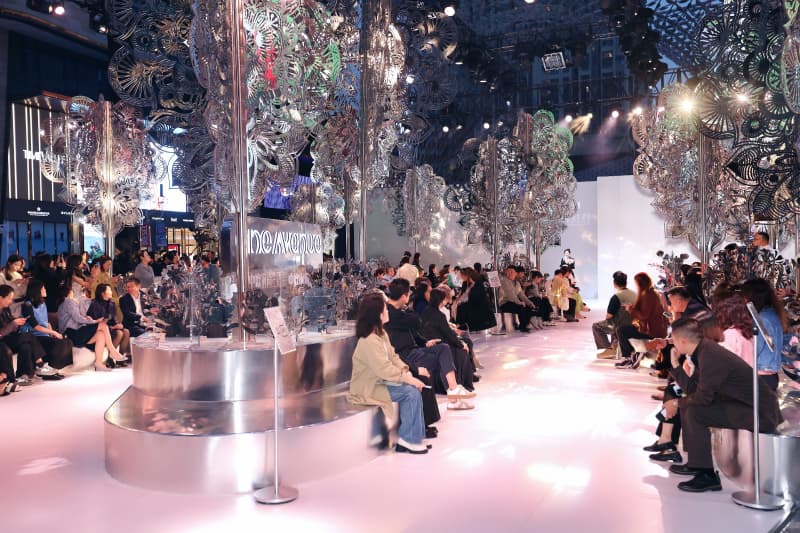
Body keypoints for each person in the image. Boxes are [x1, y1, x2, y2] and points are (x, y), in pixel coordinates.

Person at [661, 318, 782, 493]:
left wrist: (676, 402)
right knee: (689, 406)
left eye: (673, 340)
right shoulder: (704, 350)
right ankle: (697, 463)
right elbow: (692, 390)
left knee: (694, 410)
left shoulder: (709, 355)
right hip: (745, 405)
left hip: (761, 414)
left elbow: (702, 398)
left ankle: (707, 475)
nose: (673, 344)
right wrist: (675, 365)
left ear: (683, 341)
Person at [348, 293, 430, 454]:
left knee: (413, 388)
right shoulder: (369, 340)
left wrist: (406, 372)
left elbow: (393, 357)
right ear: (378, 314)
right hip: (368, 387)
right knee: (410, 392)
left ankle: (414, 437)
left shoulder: (381, 334)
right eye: (385, 309)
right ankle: (409, 439)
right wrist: (408, 379)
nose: (388, 311)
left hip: (380, 381)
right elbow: (384, 369)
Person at [385, 278, 475, 409]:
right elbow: (416, 321)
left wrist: (425, 343)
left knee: (443, 348)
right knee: (443, 354)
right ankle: (453, 394)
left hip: (414, 350)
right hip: (404, 356)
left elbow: (413, 330)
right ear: (404, 296)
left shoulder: (398, 312)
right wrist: (406, 309)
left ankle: (453, 390)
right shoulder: (391, 313)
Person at [58, 286, 127, 371]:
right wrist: (94, 321)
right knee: (103, 325)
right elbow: (77, 318)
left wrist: (87, 318)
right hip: (72, 333)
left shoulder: (65, 303)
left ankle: (99, 364)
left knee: (101, 335)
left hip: (75, 332)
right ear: (69, 292)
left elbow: (77, 317)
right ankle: (112, 351)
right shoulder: (68, 301)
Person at [421, 287, 475, 391]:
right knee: (464, 348)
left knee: (465, 343)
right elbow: (448, 334)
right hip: (441, 344)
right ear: (442, 300)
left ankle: (469, 376)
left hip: (432, 342)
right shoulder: (439, 315)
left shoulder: (425, 312)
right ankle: (463, 382)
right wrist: (461, 344)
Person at [0, 285, 57, 384]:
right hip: (2, 341)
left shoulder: (5, 310)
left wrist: (17, 324)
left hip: (8, 339)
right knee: (28, 336)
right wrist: (13, 324)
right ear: (1, 297)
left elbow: (10, 325)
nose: (11, 301)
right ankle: (40, 364)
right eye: (9, 298)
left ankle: (23, 375)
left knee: (25, 345)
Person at [739, 278, 785, 390]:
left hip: (762, 374)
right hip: (770, 374)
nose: (743, 300)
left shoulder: (762, 319)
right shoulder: (771, 314)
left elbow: (755, 349)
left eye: (745, 296)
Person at [615, 273, 668, 369]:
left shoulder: (647, 295)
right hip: (653, 329)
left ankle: (628, 357)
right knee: (625, 329)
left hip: (650, 331)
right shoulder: (651, 293)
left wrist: (631, 309)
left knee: (621, 330)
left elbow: (644, 315)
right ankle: (632, 355)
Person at [20, 279, 72, 370]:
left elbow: (46, 322)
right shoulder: (27, 305)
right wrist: (54, 333)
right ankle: (51, 368)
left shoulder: (43, 303)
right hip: (34, 336)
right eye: (43, 288)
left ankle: (59, 369)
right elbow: (35, 326)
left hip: (44, 334)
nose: (45, 290)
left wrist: (52, 334)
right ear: (37, 290)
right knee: (56, 344)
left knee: (67, 342)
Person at [594, 271, 636, 358]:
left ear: (614, 284)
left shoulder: (616, 296)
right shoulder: (635, 294)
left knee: (597, 326)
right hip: (633, 324)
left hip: (619, 326)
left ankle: (610, 349)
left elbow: (609, 316)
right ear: (626, 282)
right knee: (617, 320)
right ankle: (616, 345)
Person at [88, 284, 131, 360]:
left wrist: (118, 325)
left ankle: (119, 358)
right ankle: (109, 358)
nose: (111, 292)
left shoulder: (111, 303)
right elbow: (97, 321)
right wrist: (111, 327)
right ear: (103, 293)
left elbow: (113, 318)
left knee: (126, 332)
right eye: (109, 290)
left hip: (110, 327)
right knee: (119, 333)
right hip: (99, 329)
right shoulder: (94, 304)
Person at [454, 267, 496, 333]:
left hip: (478, 304)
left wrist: (462, 301)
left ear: (467, 275)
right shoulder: (465, 283)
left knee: (462, 308)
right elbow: (463, 294)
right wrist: (458, 301)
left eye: (462, 275)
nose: (461, 277)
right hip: (471, 302)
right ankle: (460, 326)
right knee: (460, 307)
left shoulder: (478, 283)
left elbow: (476, 297)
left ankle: (461, 327)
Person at [498, 266, 536, 332]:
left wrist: (530, 303)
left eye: (511, 272)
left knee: (529, 306)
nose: (509, 273)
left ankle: (526, 324)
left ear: (515, 273)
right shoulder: (504, 281)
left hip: (513, 302)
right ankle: (522, 327)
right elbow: (510, 295)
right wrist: (519, 302)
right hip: (504, 303)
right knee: (521, 307)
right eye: (508, 272)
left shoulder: (517, 283)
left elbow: (521, 295)